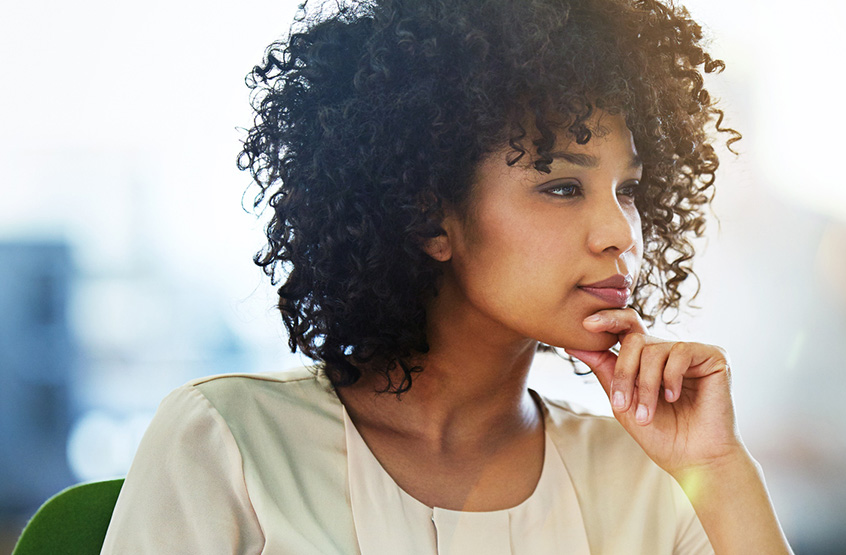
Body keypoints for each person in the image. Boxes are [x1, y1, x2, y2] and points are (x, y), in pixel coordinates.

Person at [99, 0, 792, 552]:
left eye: (630, 190)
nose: (620, 233)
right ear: (431, 215)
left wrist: (724, 468)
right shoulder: (232, 442)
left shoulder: (653, 476)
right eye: (561, 188)